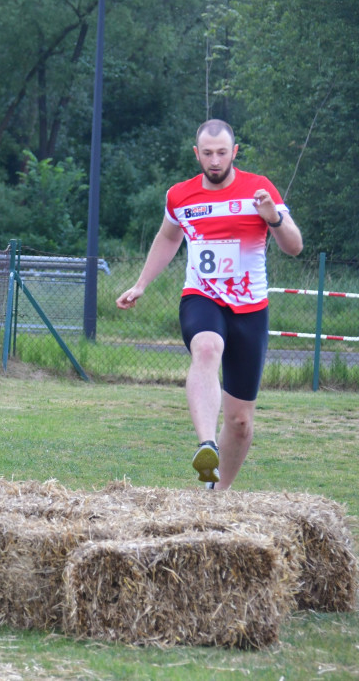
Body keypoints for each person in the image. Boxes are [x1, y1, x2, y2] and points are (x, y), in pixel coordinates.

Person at [116, 119, 303, 490]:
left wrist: (274, 218)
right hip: (201, 297)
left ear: (234, 152)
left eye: (222, 153)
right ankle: (205, 444)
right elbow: (168, 239)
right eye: (207, 153)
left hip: (250, 310)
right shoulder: (180, 196)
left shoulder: (259, 188)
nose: (214, 160)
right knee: (206, 346)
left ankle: (216, 494)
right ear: (196, 154)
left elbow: (294, 246)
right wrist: (141, 283)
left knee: (240, 422)